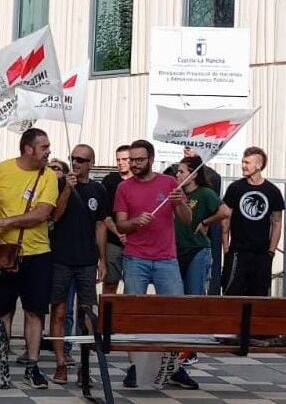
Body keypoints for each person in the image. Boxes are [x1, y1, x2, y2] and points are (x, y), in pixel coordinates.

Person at [113, 139, 197, 390]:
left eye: (139, 159)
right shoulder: (124, 188)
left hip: (166, 259)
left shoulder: (169, 183)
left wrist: (180, 201)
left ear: (150, 159)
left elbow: (187, 220)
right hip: (136, 257)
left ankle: (173, 367)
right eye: (132, 160)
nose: (135, 164)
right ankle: (136, 367)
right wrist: (136, 222)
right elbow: (120, 225)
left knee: (174, 314)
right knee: (134, 316)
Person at [0, 128, 59, 390]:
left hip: (38, 254)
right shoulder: (2, 170)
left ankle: (32, 365)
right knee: (2, 312)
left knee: (34, 312)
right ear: (28, 148)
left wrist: (6, 221)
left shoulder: (49, 176)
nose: (49, 151)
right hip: (5, 253)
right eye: (44, 146)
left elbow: (42, 214)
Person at [48, 144, 107, 386]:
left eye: (81, 160)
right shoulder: (60, 184)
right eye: (73, 158)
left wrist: (102, 259)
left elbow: (101, 225)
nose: (76, 163)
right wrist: (67, 190)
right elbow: (55, 216)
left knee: (87, 315)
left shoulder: (98, 189)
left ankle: (85, 365)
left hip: (85, 260)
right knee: (59, 312)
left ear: (91, 163)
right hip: (61, 258)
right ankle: (61, 363)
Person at [173, 155, 224, 366]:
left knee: (194, 295)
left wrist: (205, 222)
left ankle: (191, 348)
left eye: (182, 171)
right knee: (179, 298)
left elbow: (225, 211)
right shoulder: (177, 194)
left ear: (193, 174)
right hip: (177, 250)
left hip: (197, 249)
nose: (178, 175)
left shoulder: (204, 193)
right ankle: (179, 344)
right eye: (177, 171)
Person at [219, 147, 284, 297]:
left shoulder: (273, 191)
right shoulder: (235, 188)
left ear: (259, 165)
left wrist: (271, 252)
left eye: (247, 162)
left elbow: (277, 222)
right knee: (231, 296)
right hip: (237, 252)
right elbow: (225, 220)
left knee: (259, 298)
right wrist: (227, 250)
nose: (243, 165)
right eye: (243, 162)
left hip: (261, 254)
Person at [100, 145, 132, 295]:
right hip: (113, 241)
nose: (121, 162)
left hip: (136, 242)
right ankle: (106, 317)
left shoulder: (139, 182)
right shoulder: (109, 180)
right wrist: (118, 232)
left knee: (133, 287)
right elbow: (104, 214)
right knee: (110, 284)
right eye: (118, 159)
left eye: (125, 159)